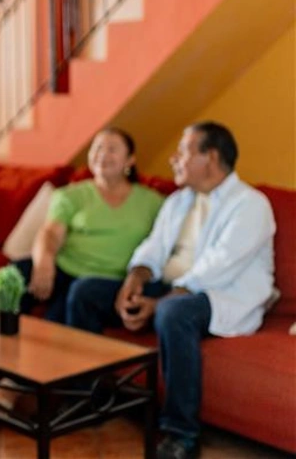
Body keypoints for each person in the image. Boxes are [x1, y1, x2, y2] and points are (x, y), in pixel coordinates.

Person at [67, 122, 276, 459]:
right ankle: (89, 400)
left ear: (209, 158)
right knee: (84, 291)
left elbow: (218, 267)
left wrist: (158, 302)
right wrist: (133, 280)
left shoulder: (251, 204)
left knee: (172, 312)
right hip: (168, 287)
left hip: (220, 294)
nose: (173, 159)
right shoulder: (179, 200)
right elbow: (154, 247)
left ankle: (182, 435)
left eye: (183, 152)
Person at [18, 127, 164, 323]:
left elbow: (163, 245)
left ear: (130, 160)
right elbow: (51, 232)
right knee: (13, 276)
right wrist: (44, 262)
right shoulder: (70, 194)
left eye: (112, 149)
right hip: (66, 272)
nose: (103, 154)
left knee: (70, 304)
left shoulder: (153, 202)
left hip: (111, 281)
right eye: (97, 148)